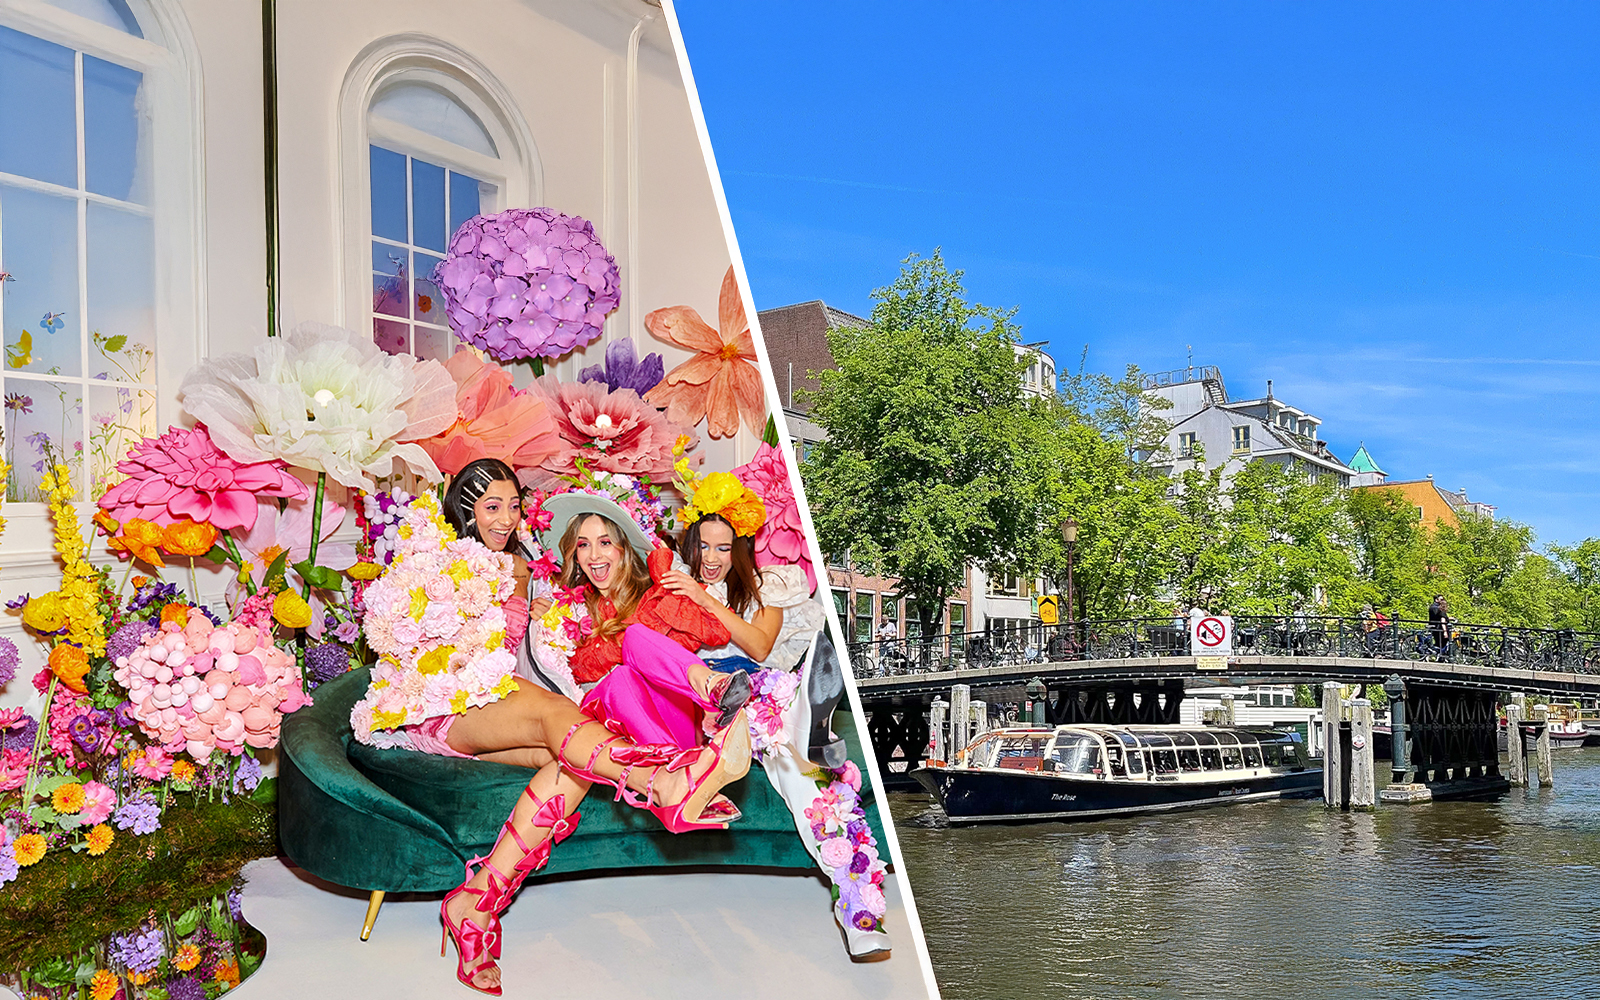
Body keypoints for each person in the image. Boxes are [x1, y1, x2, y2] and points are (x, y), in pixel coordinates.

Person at [354, 460, 743, 994]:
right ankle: (665, 785)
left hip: (497, 701)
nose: (506, 519)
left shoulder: (526, 568)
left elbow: (556, 641)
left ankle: (475, 905)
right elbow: (397, 637)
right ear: (465, 508)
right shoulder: (431, 554)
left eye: (514, 506)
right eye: (493, 506)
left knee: (572, 760)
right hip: (442, 704)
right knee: (551, 713)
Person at [1428, 595, 1450, 659]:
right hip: (1438, 628)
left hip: (1437, 628)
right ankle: (1441, 656)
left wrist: (1449, 618)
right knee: (1442, 643)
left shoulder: (1435, 608)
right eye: (1441, 599)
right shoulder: (1437, 608)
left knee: (1439, 643)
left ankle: (1439, 656)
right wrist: (1445, 631)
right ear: (1436, 600)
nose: (1442, 600)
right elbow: (1442, 620)